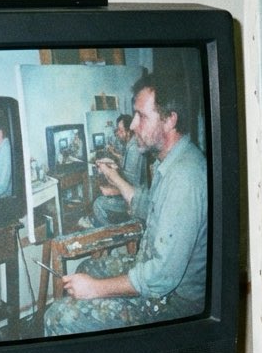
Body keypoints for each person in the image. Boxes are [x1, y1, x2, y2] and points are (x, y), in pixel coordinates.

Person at [43, 74, 207, 333]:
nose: (132, 125)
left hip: (172, 304)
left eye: (141, 116)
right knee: (88, 267)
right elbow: (146, 205)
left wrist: (96, 289)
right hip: (151, 269)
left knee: (57, 316)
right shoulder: (171, 162)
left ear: (169, 120)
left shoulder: (185, 177)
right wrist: (114, 177)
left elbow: (162, 277)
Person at [89, 114, 148, 226]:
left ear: (129, 131)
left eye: (121, 131)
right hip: (133, 192)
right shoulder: (131, 145)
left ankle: (115, 234)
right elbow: (127, 170)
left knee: (98, 204)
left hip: (135, 200)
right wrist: (112, 164)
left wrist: (112, 189)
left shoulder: (134, 149)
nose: (118, 134)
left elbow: (131, 184)